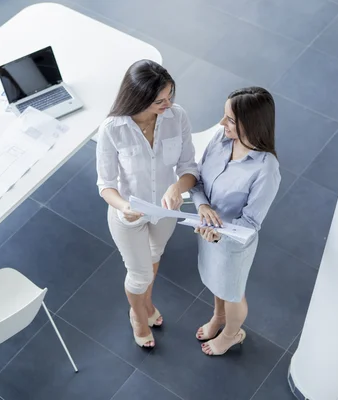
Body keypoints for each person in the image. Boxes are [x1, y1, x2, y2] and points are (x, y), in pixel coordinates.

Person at [96, 60, 198, 348]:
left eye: (170, 97)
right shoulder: (112, 129)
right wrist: (123, 207)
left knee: (154, 257)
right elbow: (106, 185)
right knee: (139, 275)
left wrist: (178, 187)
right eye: (159, 100)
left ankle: (147, 305)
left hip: (166, 212)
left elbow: (189, 167)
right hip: (128, 215)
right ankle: (138, 318)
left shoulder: (177, 117)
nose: (167, 104)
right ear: (137, 98)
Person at [190, 87, 281, 356]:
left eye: (229, 119)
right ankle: (219, 318)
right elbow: (199, 181)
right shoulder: (221, 139)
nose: (221, 124)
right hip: (207, 233)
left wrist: (219, 234)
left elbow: (251, 222)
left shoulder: (266, 169)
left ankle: (231, 334)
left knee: (232, 291)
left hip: (232, 244)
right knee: (215, 281)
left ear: (250, 124)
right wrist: (202, 205)